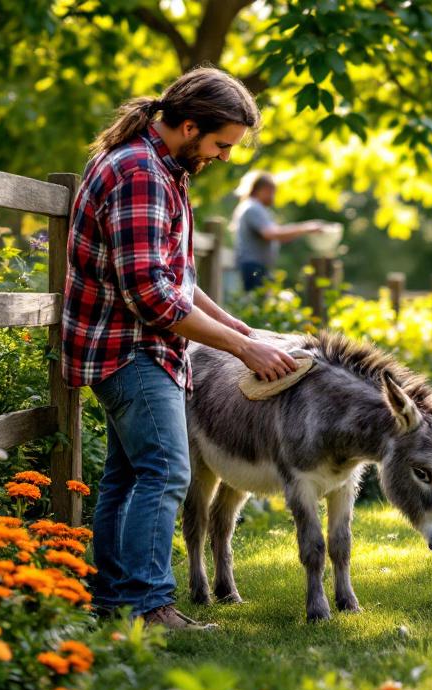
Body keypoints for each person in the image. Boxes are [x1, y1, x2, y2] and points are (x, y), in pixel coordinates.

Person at [62, 67, 298, 631]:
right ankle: (149, 604)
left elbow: (176, 276)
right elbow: (149, 295)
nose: (222, 157)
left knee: (128, 475)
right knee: (167, 470)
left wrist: (238, 327)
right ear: (189, 126)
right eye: (220, 144)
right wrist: (244, 351)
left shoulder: (157, 166)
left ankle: (114, 598)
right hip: (130, 348)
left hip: (133, 346)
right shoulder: (140, 173)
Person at [232, 170, 325, 291]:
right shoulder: (253, 208)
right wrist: (305, 227)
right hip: (253, 266)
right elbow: (271, 233)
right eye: (271, 192)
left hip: (256, 266)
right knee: (255, 304)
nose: (273, 197)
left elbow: (279, 236)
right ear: (260, 190)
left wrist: (303, 230)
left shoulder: (255, 208)